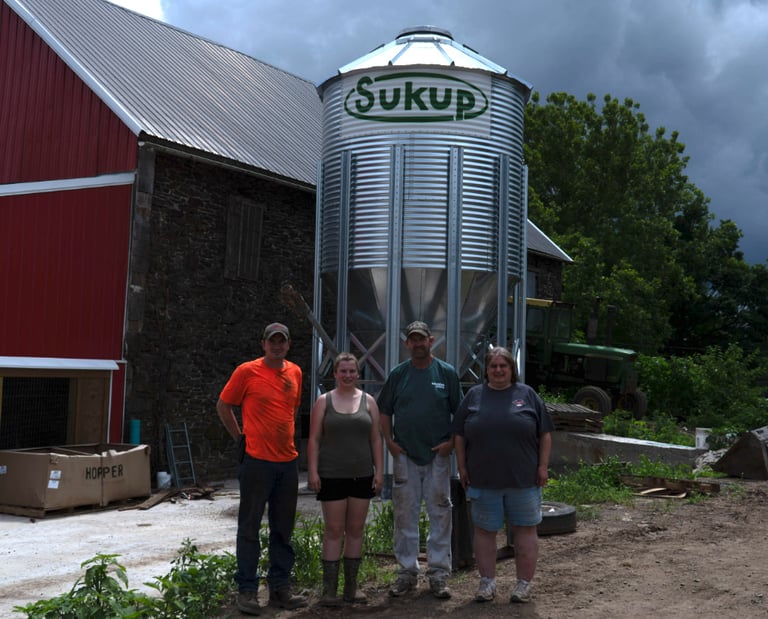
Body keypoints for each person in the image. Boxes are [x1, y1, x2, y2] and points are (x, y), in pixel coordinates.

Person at [216, 322, 308, 616]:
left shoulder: (295, 372)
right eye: (272, 341)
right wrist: (240, 438)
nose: (277, 346)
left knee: (283, 529)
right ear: (263, 344)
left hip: (287, 462)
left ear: (288, 345)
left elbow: (292, 409)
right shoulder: (247, 371)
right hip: (256, 461)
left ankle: (280, 588)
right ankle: (247, 590)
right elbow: (223, 406)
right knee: (250, 528)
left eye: (282, 341)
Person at [453, 346, 553, 604]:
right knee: (485, 532)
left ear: (511, 369)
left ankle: (523, 585)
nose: (498, 370)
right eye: (493, 366)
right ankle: (487, 583)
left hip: (524, 480)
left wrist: (543, 466)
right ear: (486, 370)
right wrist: (462, 467)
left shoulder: (527, 395)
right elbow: (459, 434)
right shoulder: (474, 396)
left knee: (525, 531)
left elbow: (545, 433)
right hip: (483, 480)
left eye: (503, 366)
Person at [377, 320, 463, 599]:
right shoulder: (399, 374)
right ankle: (407, 572)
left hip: (438, 456)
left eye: (421, 339)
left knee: (441, 513)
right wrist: (390, 442)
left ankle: (438, 574)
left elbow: (460, 414)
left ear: (431, 340)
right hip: (405, 456)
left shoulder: (446, 373)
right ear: (407, 343)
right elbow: (384, 410)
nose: (417, 344)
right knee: (405, 515)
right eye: (413, 339)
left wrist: (451, 443)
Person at [306, 352, 384, 606]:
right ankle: (329, 591)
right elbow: (314, 439)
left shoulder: (369, 402)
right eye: (343, 371)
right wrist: (313, 471)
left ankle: (351, 587)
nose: (348, 375)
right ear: (335, 374)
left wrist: (379, 472)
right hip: (331, 475)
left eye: (352, 371)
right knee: (334, 530)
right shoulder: (324, 401)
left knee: (356, 529)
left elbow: (376, 439)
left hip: (362, 474)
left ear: (358, 374)